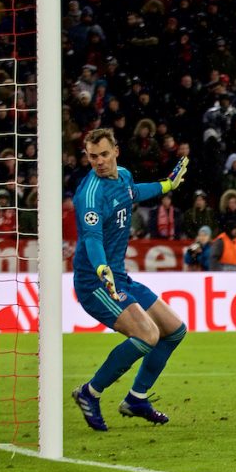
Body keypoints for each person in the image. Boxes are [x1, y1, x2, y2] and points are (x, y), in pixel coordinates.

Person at [70, 128, 190, 432]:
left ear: (116, 152)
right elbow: (92, 238)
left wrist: (168, 184)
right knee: (147, 334)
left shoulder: (122, 175)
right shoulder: (90, 195)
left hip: (119, 276)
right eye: (92, 156)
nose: (98, 161)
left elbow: (136, 191)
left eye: (104, 154)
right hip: (96, 282)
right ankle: (90, 392)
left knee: (174, 330)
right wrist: (101, 268)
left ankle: (136, 398)